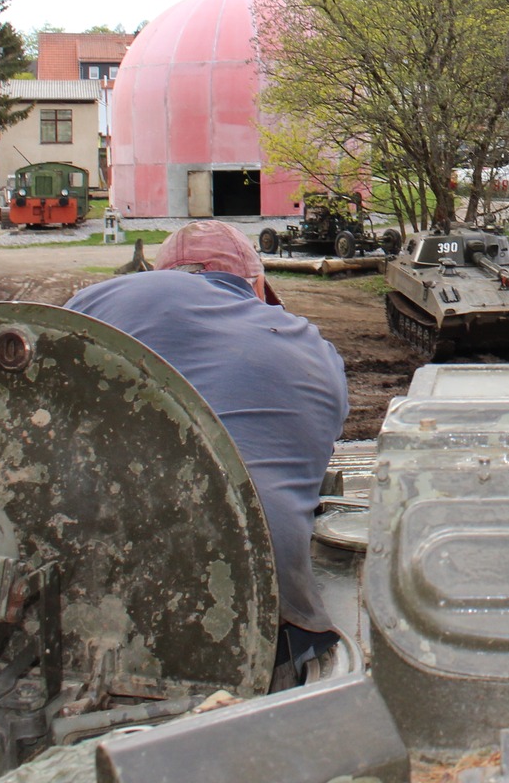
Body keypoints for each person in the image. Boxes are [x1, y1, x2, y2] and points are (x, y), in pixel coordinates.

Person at [64, 221, 349, 685]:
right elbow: (310, 454)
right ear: (254, 284)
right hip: (247, 599)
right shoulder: (315, 350)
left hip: (81, 578)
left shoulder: (97, 300)